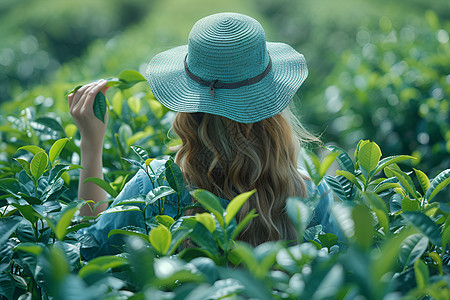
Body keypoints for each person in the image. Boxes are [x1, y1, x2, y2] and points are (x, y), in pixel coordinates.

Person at [68, 12, 340, 259]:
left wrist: (91, 144)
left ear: (189, 110)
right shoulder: (310, 193)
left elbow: (88, 250)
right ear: (271, 105)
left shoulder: (158, 187)